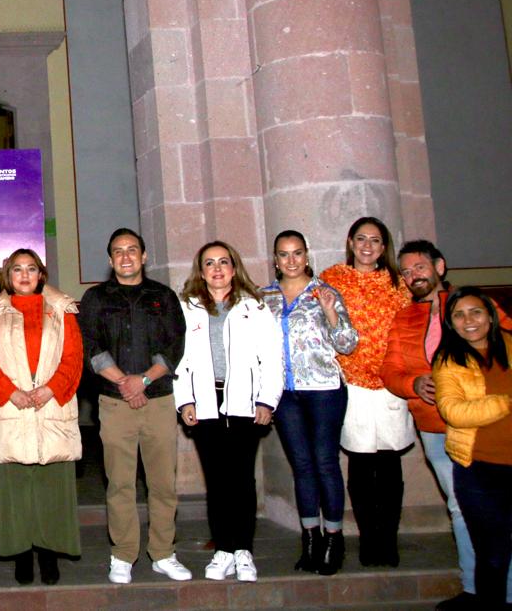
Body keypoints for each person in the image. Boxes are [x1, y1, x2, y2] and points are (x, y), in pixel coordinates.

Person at [381, 241, 512, 607]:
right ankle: (474, 589)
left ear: (440, 266)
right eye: (405, 272)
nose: (412, 276)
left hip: (487, 425)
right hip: (435, 424)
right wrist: (413, 384)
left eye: (419, 267)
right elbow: (390, 370)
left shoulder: (471, 305)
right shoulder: (403, 317)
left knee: (499, 515)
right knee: (459, 507)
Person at [78, 228, 188, 585]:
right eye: (118, 251)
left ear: (144, 256)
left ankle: (163, 553)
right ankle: (123, 554)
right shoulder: (95, 298)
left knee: (162, 484)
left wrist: (143, 380)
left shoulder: (164, 297)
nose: (126, 256)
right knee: (120, 484)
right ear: (110, 260)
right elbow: (90, 347)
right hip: (114, 402)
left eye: (132, 250)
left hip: (158, 400)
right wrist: (125, 381)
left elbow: (175, 346)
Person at [174, 240, 283, 583]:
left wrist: (267, 401)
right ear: (201, 271)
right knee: (217, 480)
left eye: (224, 262)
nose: (217, 269)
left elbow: (272, 359)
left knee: (241, 479)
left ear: (234, 268)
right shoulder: (187, 308)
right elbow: (180, 361)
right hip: (206, 403)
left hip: (244, 404)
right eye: (210, 263)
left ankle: (243, 550)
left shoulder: (255, 308)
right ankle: (223, 549)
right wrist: (185, 400)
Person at [0, 248, 83, 585]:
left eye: (32, 269)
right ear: (7, 275)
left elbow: (73, 357)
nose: (25, 275)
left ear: (41, 275)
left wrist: (50, 389)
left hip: (51, 404)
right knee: (15, 487)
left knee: (53, 485)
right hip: (11, 407)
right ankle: (21, 554)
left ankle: (49, 553)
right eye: (18, 269)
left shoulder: (62, 309)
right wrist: (11, 393)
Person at [261, 231, 358, 575]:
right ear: (275, 259)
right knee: (301, 465)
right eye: (283, 254)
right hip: (285, 394)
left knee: (325, 463)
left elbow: (347, 343)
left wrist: (332, 314)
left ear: (306, 255)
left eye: (297, 253)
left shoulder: (325, 292)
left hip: (324, 390)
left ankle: (334, 539)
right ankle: (311, 539)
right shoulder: (264, 297)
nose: (291, 261)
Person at [319, 216, 411, 567]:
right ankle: (368, 538)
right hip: (352, 384)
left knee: (388, 465)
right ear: (350, 242)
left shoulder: (396, 284)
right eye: (361, 239)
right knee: (359, 465)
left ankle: (388, 540)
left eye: (375, 240)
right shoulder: (333, 278)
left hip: (390, 386)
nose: (368, 246)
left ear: (383, 247)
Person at [433, 288, 512, 608]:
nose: (469, 321)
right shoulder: (448, 360)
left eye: (476, 312)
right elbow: (455, 412)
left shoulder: (510, 343)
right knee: (492, 556)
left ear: (490, 315)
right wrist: (506, 403)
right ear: (451, 323)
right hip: (479, 471)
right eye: (459, 315)